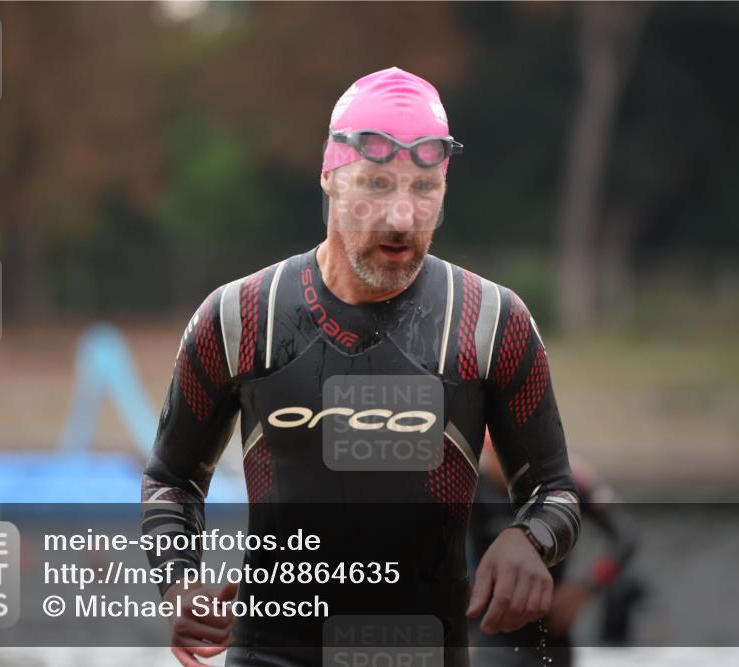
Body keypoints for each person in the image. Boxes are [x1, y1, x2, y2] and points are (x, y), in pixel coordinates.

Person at [141, 66, 582, 667]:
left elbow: (554, 491)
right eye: (376, 184)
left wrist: (528, 539)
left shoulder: (490, 323)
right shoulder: (242, 316)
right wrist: (178, 581)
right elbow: (172, 478)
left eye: (423, 188)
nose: (401, 216)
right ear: (329, 177)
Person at [469, 433, 641, 666]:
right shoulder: (471, 487)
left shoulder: (565, 482)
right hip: (490, 633)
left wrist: (584, 587)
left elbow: (626, 538)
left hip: (551, 628)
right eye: (500, 457)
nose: (511, 468)